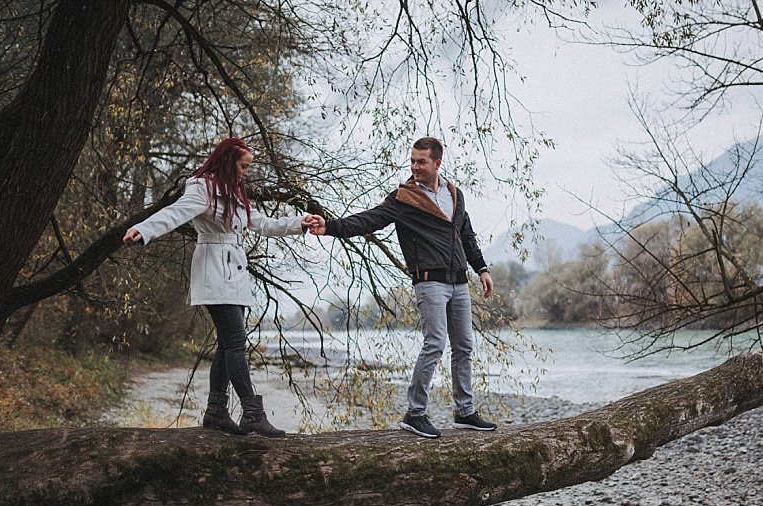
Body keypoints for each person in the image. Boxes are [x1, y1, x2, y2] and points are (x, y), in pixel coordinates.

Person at [306, 137, 497, 438]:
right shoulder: (403, 199)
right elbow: (366, 221)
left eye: (421, 162)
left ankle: (465, 412)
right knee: (434, 343)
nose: (415, 167)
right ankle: (415, 413)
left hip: (459, 281)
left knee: (464, 347)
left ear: (437, 163)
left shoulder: (454, 194)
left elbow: (467, 236)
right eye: (412, 161)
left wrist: (482, 269)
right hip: (429, 281)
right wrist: (329, 227)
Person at [124, 137, 314, 437]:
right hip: (214, 269)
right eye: (243, 166)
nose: (246, 172)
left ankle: (216, 412)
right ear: (228, 161)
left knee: (227, 344)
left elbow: (263, 224)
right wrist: (144, 230)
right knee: (237, 342)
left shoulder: (233, 191)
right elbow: (175, 213)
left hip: (234, 271)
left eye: (249, 167)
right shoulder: (202, 187)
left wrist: (299, 223)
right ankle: (252, 412)